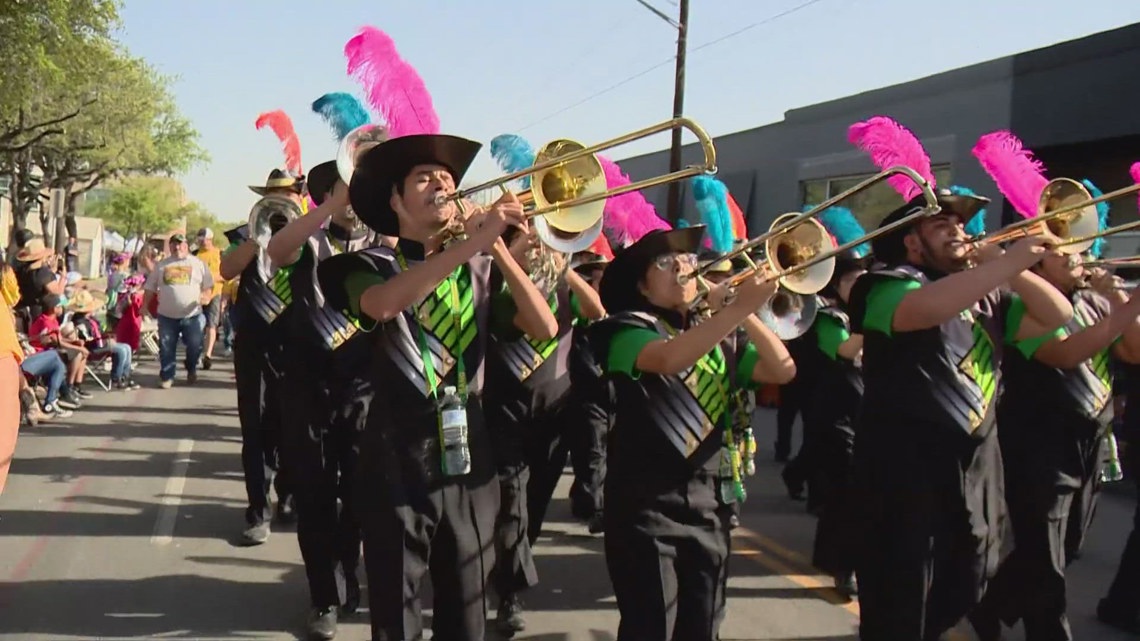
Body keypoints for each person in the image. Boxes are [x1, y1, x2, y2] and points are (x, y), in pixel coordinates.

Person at [318, 132, 558, 641]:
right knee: (397, 616)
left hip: (470, 460)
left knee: (467, 615)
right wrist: (472, 243)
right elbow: (383, 305)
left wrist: (497, 250)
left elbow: (545, 328)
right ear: (394, 200)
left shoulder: (478, 266)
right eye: (424, 178)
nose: (442, 186)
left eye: (448, 178)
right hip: (394, 461)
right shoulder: (365, 266)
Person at [847, 188, 1073, 641]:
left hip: (977, 461)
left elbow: (1058, 313)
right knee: (902, 592)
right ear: (912, 242)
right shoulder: (885, 283)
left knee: (974, 570)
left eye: (962, 225)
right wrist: (1003, 265)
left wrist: (1006, 264)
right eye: (941, 226)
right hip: (905, 465)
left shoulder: (989, 294)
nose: (959, 233)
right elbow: (926, 309)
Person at [589, 225, 795, 641]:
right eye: (666, 262)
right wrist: (733, 314)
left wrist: (745, 312)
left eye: (688, 259)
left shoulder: (720, 331)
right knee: (651, 627)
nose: (683, 267)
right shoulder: (624, 329)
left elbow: (782, 369)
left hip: (709, 506)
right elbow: (667, 359)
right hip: (645, 508)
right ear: (642, 287)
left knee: (702, 626)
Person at [969, 247, 1140, 639]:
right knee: (1047, 558)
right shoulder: (1022, 306)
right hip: (1039, 440)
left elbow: (1135, 350)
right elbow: (1065, 354)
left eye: (1081, 252)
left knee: (1068, 545)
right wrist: (1131, 308)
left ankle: (989, 602)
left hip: (1089, 442)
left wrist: (1119, 300)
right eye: (1064, 254)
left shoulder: (1097, 303)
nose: (1077, 260)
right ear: (1037, 265)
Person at [265, 159, 380, 639]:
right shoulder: (309, 237)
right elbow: (277, 248)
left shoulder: (382, 243)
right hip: (306, 385)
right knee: (314, 495)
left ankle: (346, 572)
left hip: (365, 388)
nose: (353, 199)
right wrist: (329, 206)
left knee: (357, 493)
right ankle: (323, 597)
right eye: (344, 189)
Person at [483, 225, 605, 635]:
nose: (539, 247)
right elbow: (526, 318)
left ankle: (507, 571)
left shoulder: (562, 284)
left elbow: (596, 312)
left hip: (555, 416)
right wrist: (515, 252)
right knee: (512, 503)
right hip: (507, 412)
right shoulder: (498, 289)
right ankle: (509, 595)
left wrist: (565, 264)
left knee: (533, 507)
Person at [220, 169, 305, 545]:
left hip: (298, 345)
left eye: (287, 194)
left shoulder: (310, 234)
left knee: (294, 428)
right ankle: (257, 511)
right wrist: (258, 238)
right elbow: (226, 270)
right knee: (255, 432)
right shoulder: (246, 233)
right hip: (255, 345)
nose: (281, 201)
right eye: (274, 195)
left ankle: (289, 496)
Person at [143, 233, 213, 388]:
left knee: (195, 344)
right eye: (174, 244)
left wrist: (206, 296)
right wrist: (144, 307)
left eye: (180, 244)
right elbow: (150, 287)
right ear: (170, 247)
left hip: (192, 315)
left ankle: (191, 366)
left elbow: (208, 286)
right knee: (166, 347)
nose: (177, 247)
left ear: (186, 246)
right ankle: (167, 376)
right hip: (167, 315)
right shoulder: (162, 265)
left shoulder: (198, 264)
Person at [69, 290, 140, 390]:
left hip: (99, 344)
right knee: (121, 350)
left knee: (127, 347)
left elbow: (98, 333)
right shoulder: (80, 322)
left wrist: (106, 336)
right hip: (91, 348)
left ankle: (125, 375)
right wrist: (105, 340)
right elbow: (86, 340)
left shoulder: (91, 319)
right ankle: (116, 378)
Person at [193, 228, 224, 370]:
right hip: (197, 295)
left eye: (205, 240)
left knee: (211, 325)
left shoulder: (220, 254)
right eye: (200, 240)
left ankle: (208, 355)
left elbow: (225, 275)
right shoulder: (195, 255)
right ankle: (196, 353)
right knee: (197, 326)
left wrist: (210, 278)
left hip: (215, 294)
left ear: (211, 239)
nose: (202, 243)